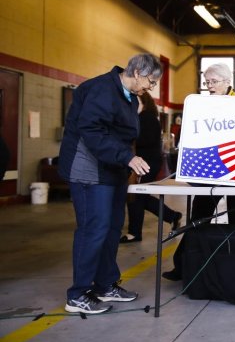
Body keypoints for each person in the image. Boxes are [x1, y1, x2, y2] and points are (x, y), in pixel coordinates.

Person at [58, 53, 163, 314]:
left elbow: (124, 134)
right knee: (94, 229)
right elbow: (92, 131)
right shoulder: (100, 89)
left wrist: (128, 161)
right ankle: (78, 294)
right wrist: (127, 157)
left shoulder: (129, 97)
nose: (152, 87)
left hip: (112, 169)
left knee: (113, 227)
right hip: (88, 170)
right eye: (151, 81)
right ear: (137, 72)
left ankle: (105, 285)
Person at [162, 63, 235, 281]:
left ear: (228, 81)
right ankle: (183, 266)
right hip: (210, 171)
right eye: (207, 82)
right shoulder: (202, 104)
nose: (209, 86)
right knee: (199, 218)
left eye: (214, 82)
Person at [120, 92, 182, 243]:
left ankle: (134, 233)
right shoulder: (142, 118)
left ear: (144, 103)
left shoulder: (146, 118)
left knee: (135, 197)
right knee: (141, 196)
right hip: (144, 162)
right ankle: (172, 216)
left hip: (146, 163)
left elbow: (145, 141)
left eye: (136, 102)